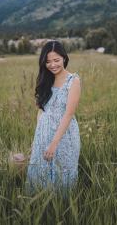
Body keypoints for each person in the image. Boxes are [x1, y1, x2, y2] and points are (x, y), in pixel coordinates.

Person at [26, 40, 81, 196]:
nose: (52, 65)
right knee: (40, 173)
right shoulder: (46, 79)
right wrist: (37, 138)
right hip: (43, 133)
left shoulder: (73, 81)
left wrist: (54, 143)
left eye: (56, 60)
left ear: (64, 58)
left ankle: (61, 210)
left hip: (64, 136)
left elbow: (69, 114)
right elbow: (40, 111)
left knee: (62, 173)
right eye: (48, 61)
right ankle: (40, 205)